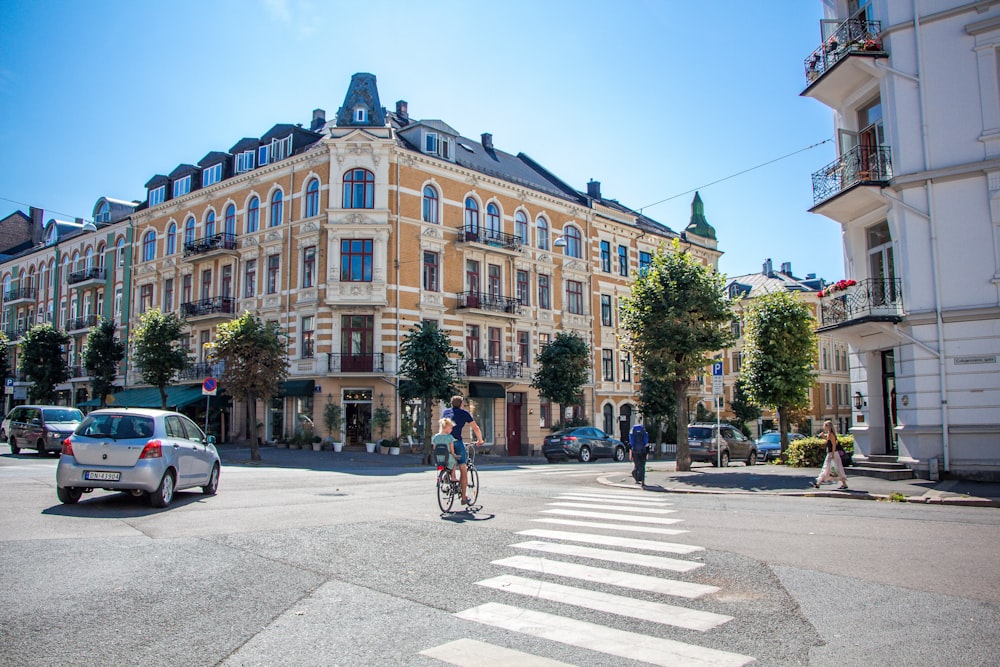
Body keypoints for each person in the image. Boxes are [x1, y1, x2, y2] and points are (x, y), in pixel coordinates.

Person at [442, 395, 484, 506]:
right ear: (461, 404)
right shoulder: (464, 413)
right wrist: (480, 440)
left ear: (451, 404)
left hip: (444, 441)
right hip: (456, 441)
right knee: (463, 467)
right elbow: (475, 428)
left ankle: (448, 474)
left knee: (450, 460)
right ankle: (464, 497)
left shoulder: (445, 412)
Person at [811, 420, 848, 490]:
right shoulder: (829, 434)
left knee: (827, 468)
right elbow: (829, 441)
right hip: (831, 453)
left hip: (832, 453)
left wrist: (833, 454)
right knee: (836, 468)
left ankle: (818, 483)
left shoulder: (831, 434)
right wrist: (823, 436)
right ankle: (844, 484)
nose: (824, 427)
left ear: (828, 426)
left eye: (824, 426)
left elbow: (834, 444)